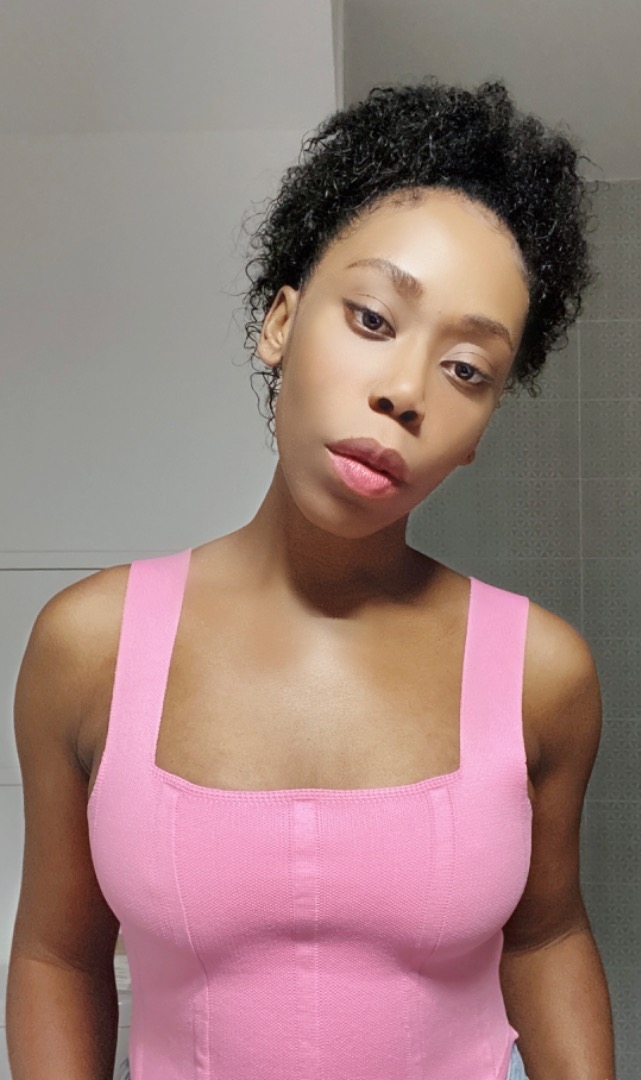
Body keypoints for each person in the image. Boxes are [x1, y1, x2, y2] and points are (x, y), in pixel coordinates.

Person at [6, 79, 615, 1080]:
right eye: (372, 318)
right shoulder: (89, 648)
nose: (404, 391)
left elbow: (546, 936)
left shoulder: (541, 673)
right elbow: (57, 955)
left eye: (466, 370)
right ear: (280, 323)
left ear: (478, 431)